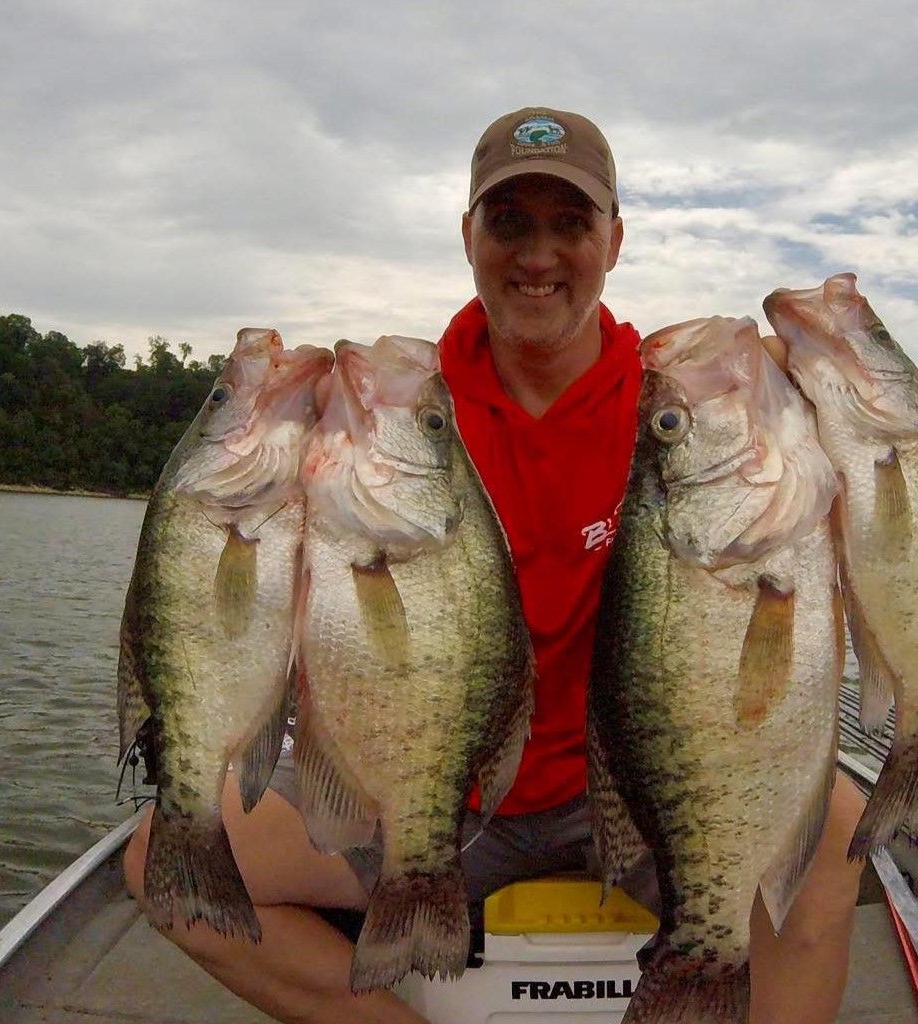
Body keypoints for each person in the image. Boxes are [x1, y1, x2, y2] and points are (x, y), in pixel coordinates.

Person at [121, 106, 869, 1024]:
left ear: (616, 239)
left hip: (631, 800)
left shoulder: (687, 405)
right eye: (510, 222)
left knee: (836, 833)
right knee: (163, 863)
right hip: (437, 795)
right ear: (468, 236)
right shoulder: (391, 417)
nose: (539, 255)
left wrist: (835, 382)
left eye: (572, 224)